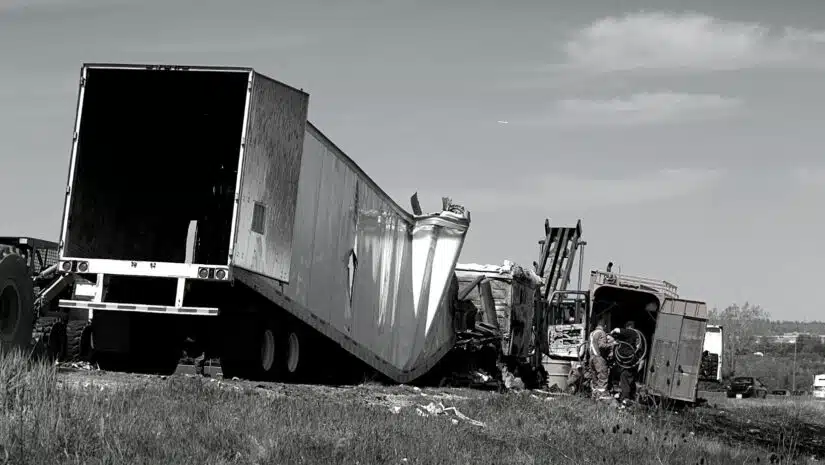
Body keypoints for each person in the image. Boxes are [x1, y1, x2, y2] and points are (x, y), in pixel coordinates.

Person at [611, 321, 641, 405]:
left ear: (628, 327)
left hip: (629, 360)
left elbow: (617, 330)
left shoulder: (631, 332)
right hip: (633, 361)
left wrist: (611, 332)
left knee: (624, 376)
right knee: (630, 378)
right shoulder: (637, 336)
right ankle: (632, 396)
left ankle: (625, 398)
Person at [589, 321, 615, 401]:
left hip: (592, 358)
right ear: (605, 325)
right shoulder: (602, 333)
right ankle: (601, 398)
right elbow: (602, 345)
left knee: (595, 379)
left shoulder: (592, 333)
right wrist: (613, 343)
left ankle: (594, 397)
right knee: (603, 377)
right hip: (599, 358)